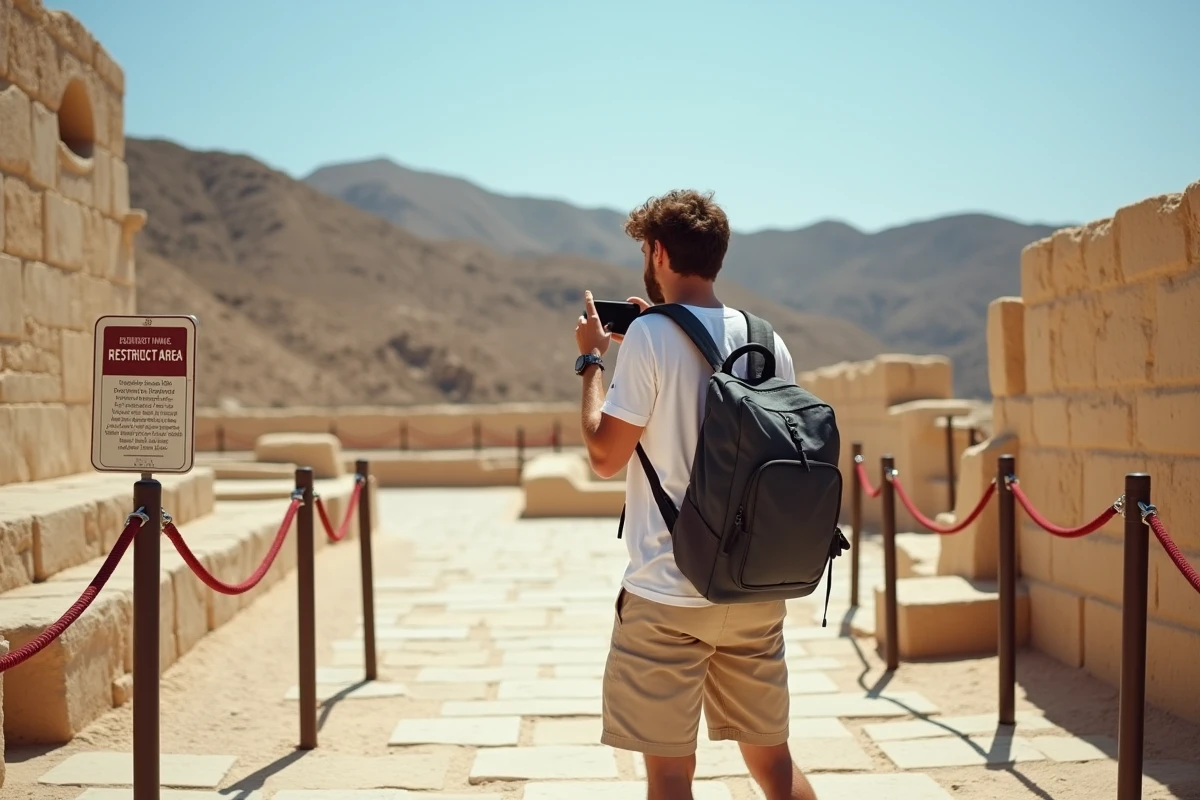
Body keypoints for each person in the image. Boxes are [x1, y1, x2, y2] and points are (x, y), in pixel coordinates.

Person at [572, 189, 818, 800]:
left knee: (672, 776)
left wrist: (592, 364)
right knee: (774, 765)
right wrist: (650, 341)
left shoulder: (651, 338)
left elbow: (605, 456)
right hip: (754, 586)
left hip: (668, 593)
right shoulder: (768, 338)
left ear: (657, 252)